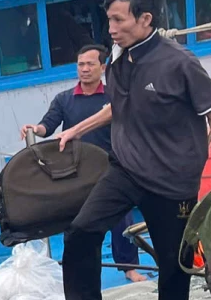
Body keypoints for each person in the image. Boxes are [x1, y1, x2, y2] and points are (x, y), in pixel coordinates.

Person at [48, 0, 211, 300]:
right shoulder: (120, 59)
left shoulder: (180, 63)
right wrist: (74, 130)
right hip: (127, 169)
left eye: (119, 21)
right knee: (81, 230)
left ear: (145, 18)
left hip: (172, 180)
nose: (111, 29)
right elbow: (117, 107)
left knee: (173, 261)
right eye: (109, 21)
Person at [24, 44, 142, 279]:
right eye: (80, 64)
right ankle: (79, 269)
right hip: (76, 171)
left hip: (111, 166)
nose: (85, 69)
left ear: (103, 67)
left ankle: (130, 267)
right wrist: (33, 128)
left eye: (90, 64)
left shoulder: (113, 97)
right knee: (77, 221)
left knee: (122, 219)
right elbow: (48, 126)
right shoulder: (64, 99)